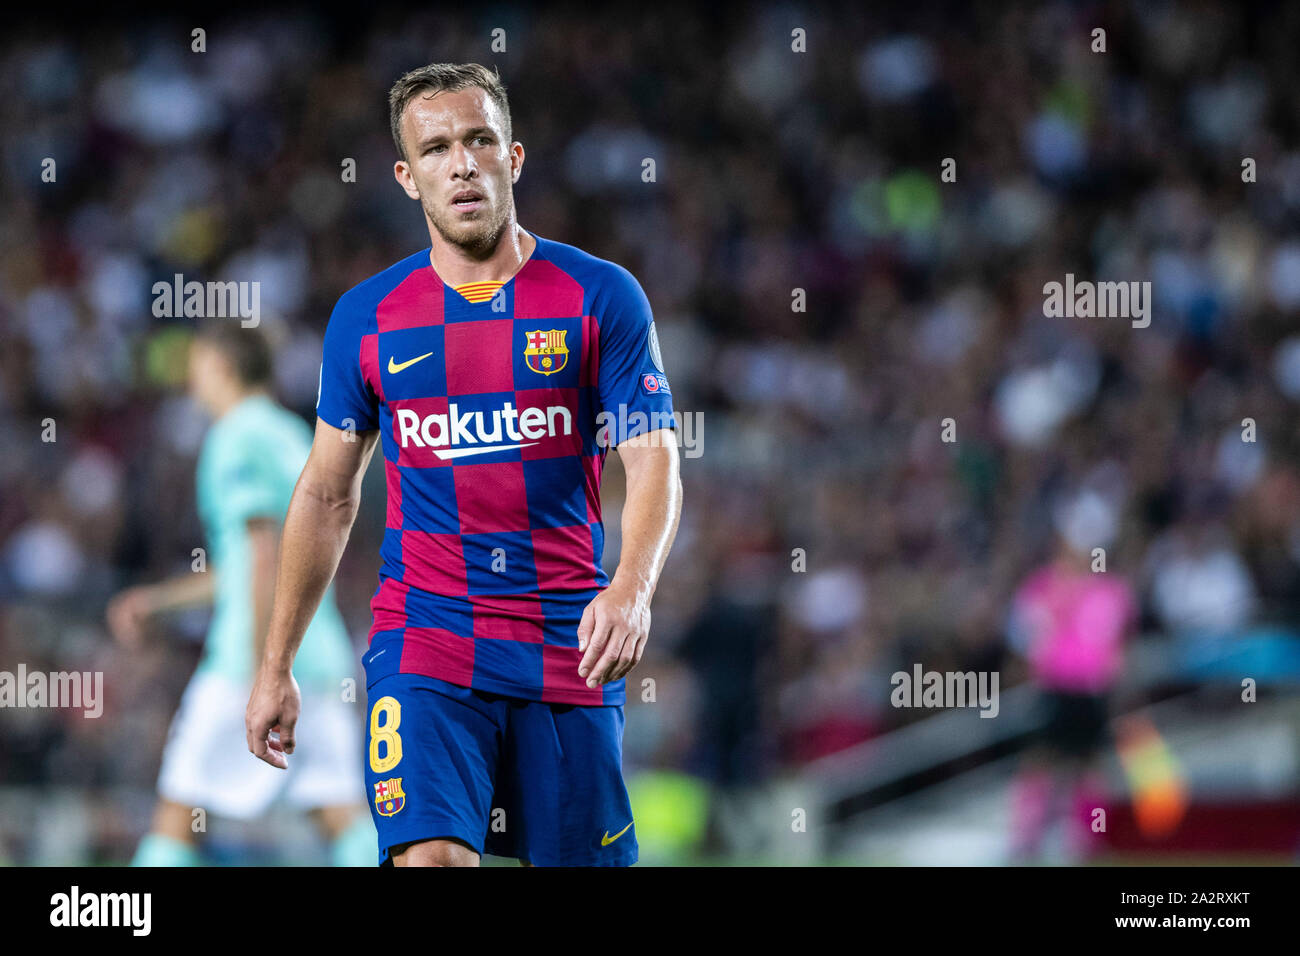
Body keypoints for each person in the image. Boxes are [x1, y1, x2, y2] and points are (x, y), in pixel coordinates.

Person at [244, 62, 683, 867]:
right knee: (431, 859)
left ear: (513, 158)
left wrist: (632, 589)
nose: (463, 161)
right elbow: (326, 494)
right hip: (427, 637)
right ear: (409, 178)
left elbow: (653, 457)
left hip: (567, 642)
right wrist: (276, 665)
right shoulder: (367, 318)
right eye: (438, 147)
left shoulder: (600, 296)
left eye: (480, 139)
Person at [108, 320, 374, 866]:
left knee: (177, 815)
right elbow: (259, 563)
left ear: (222, 367)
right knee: (341, 815)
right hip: (319, 656)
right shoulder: (294, 434)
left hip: (247, 662)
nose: (192, 383)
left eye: (198, 367)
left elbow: (261, 557)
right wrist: (159, 601)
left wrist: (267, 671)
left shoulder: (235, 436)